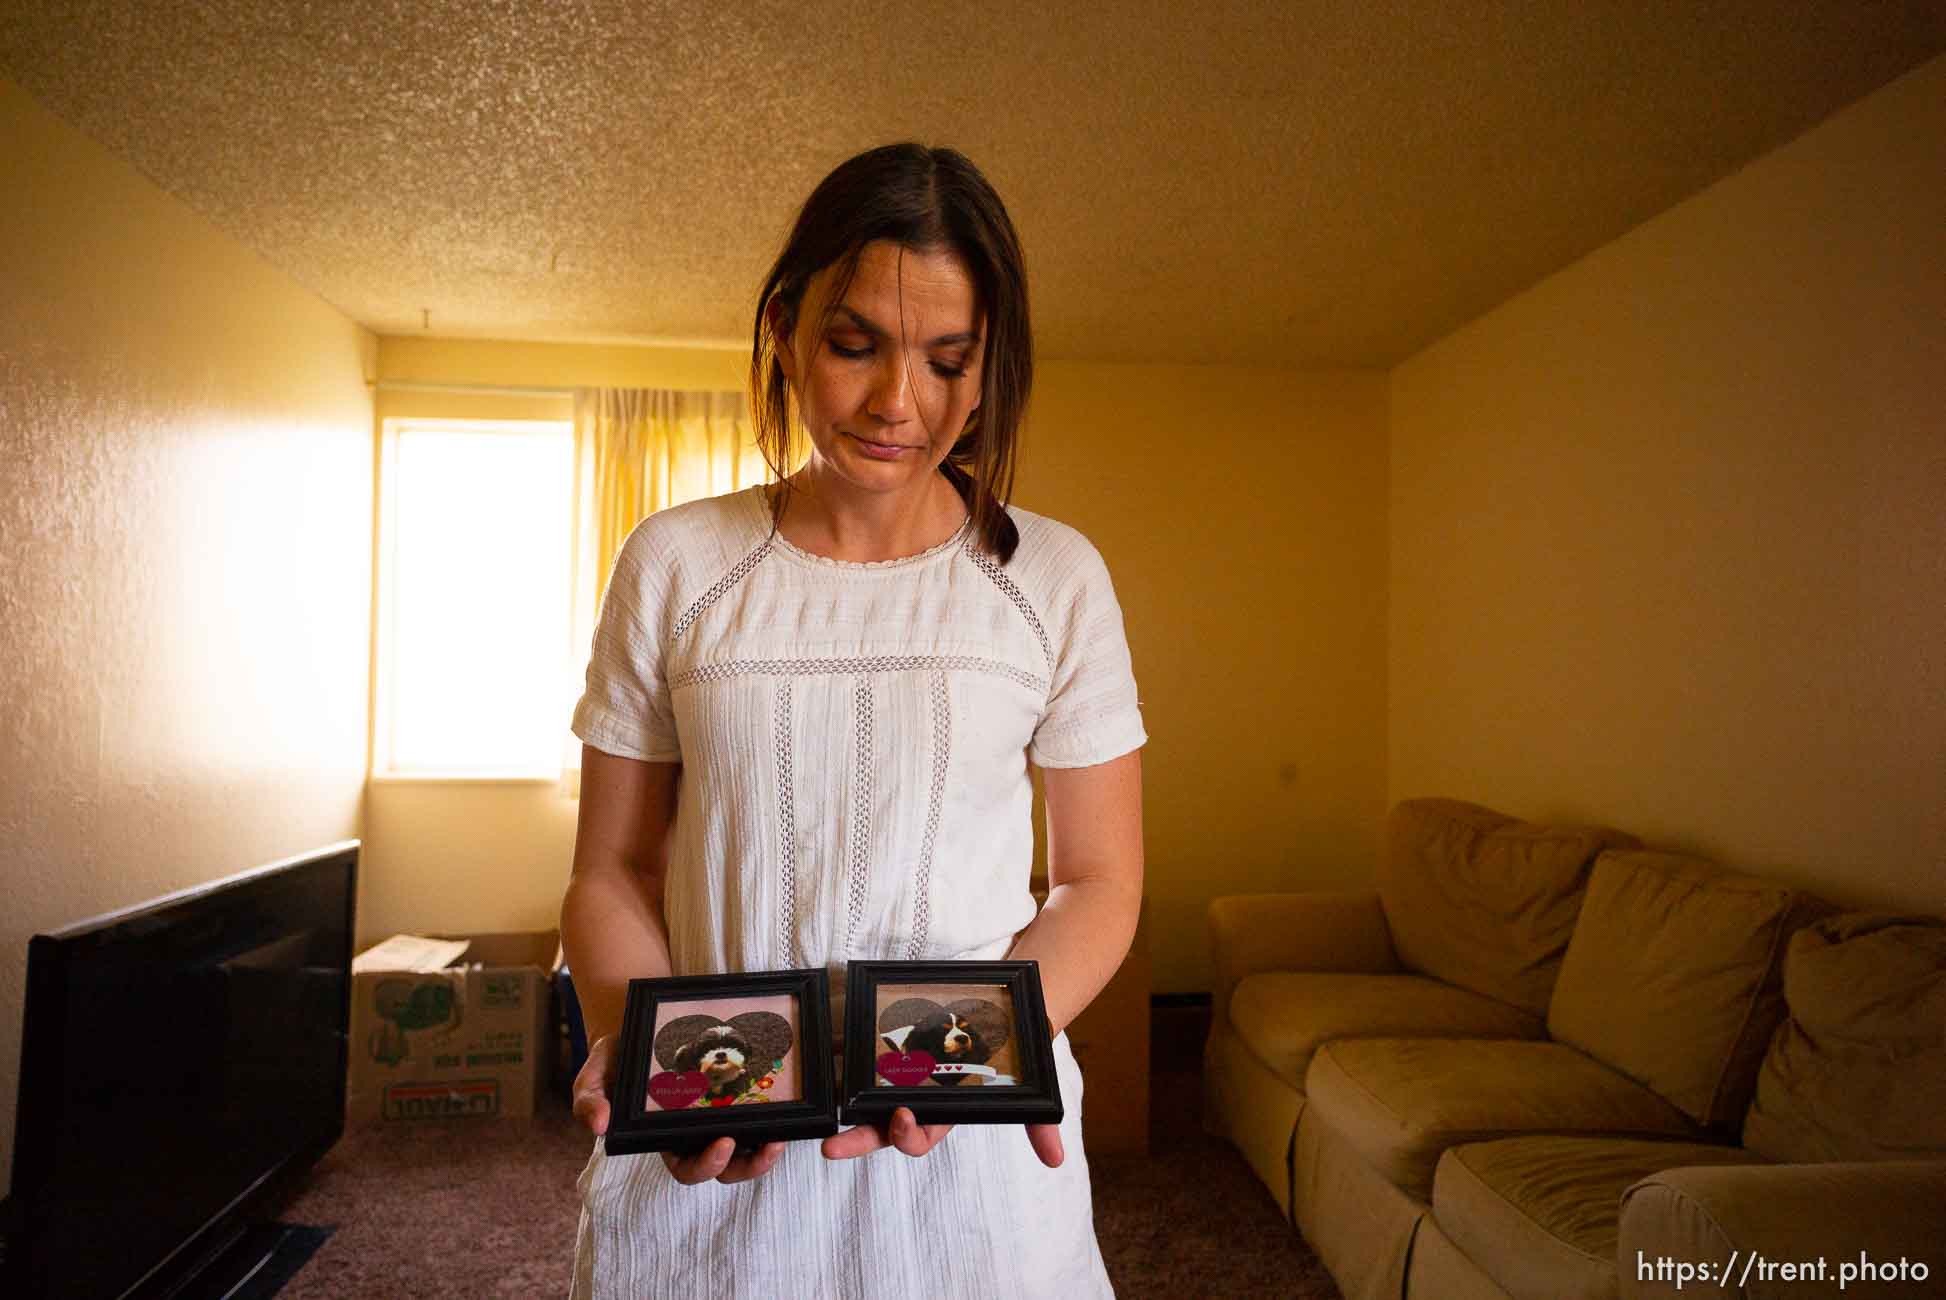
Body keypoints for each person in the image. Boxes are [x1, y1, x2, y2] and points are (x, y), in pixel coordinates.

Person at [561, 142, 1146, 1300]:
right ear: (784, 327)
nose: (898, 403)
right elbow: (612, 869)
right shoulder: (676, 563)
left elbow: (1097, 881)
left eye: (946, 361)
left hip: (972, 1174)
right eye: (852, 345)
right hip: (712, 1178)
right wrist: (644, 1048)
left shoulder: (1056, 579)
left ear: (985, 374)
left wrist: (974, 1050)